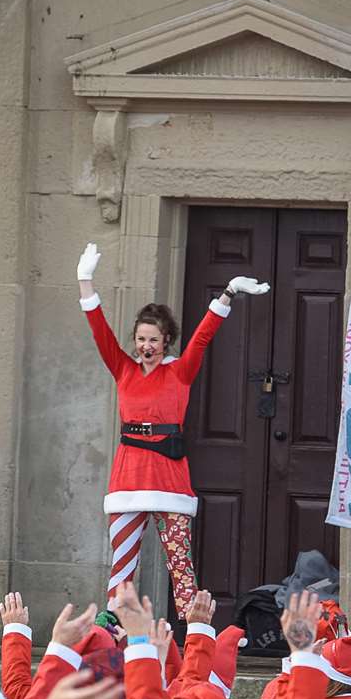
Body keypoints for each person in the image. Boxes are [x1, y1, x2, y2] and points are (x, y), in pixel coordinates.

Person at [76, 241, 267, 611]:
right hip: (128, 475)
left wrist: (228, 292)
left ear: (166, 341)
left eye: (154, 340)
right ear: (135, 340)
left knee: (180, 563)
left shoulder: (180, 371)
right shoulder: (123, 369)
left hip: (169, 476)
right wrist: (85, 281)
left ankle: (194, 630)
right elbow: (99, 331)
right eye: (141, 339)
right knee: (122, 565)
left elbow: (203, 337)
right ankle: (114, 630)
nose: (146, 346)